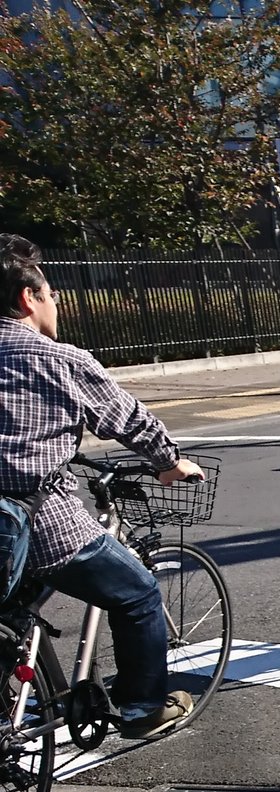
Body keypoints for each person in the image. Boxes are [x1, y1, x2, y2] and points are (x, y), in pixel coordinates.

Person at [0, 234, 205, 737]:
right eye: (50, 293)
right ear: (29, 298)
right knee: (136, 592)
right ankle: (142, 709)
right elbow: (129, 418)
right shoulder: (57, 359)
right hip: (37, 517)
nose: (56, 302)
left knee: (16, 605)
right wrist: (170, 462)